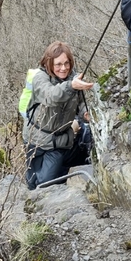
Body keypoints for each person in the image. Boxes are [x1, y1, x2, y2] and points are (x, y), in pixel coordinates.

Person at [23, 41, 94, 190]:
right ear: (49, 63)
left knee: (45, 183)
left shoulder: (73, 79)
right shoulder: (40, 78)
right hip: (35, 139)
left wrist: (85, 114)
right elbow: (50, 96)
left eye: (67, 63)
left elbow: (80, 104)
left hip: (59, 141)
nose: (64, 68)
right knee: (31, 182)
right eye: (59, 64)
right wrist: (71, 86)